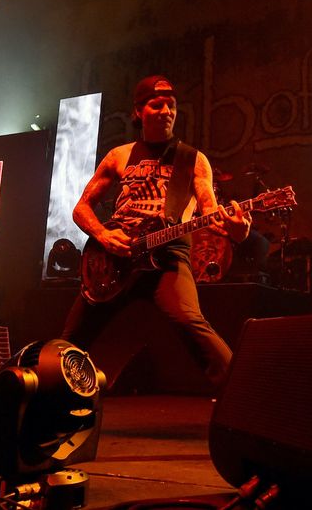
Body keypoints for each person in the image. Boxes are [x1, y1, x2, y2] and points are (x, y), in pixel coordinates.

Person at [60, 75, 250, 392]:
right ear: (138, 111)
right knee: (71, 340)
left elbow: (210, 214)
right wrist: (104, 237)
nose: (165, 111)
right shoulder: (119, 156)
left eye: (171, 105)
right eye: (156, 104)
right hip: (115, 258)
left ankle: (240, 397)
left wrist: (238, 231)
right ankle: (53, 397)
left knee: (191, 321)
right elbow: (81, 208)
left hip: (169, 255)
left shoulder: (193, 160)